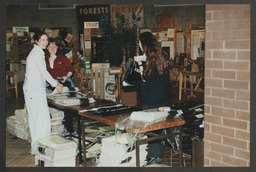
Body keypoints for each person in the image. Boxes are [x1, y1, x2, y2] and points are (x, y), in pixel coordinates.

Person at [23, 31, 63, 155]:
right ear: (36, 41)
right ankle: (40, 148)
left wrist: (54, 83)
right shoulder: (36, 54)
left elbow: (42, 73)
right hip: (33, 90)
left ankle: (38, 148)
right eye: (43, 40)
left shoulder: (38, 53)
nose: (45, 42)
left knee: (38, 119)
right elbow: (44, 73)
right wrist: (56, 84)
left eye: (46, 40)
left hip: (35, 89)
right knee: (40, 119)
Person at [134, 31, 170, 164]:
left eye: (139, 43)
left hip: (150, 98)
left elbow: (144, 79)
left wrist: (139, 65)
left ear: (144, 44)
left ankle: (155, 156)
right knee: (158, 127)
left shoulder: (148, 59)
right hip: (163, 97)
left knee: (151, 129)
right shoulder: (162, 55)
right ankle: (158, 153)